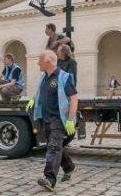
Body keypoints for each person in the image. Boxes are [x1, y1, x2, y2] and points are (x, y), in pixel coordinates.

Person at [26, 50, 78, 192]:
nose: (38, 62)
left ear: (48, 61)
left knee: (53, 148)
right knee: (54, 146)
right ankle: (70, 167)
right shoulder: (43, 77)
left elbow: (74, 98)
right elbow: (39, 93)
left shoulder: (64, 77)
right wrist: (33, 99)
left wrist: (70, 119)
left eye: (40, 60)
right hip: (46, 119)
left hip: (59, 119)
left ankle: (49, 179)